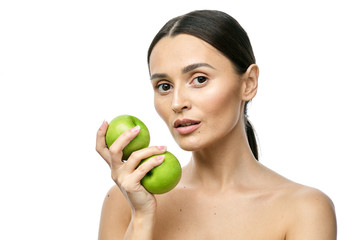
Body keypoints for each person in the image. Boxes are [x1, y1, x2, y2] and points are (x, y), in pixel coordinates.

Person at [96, 10, 337, 240]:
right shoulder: (125, 201)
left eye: (199, 79)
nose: (177, 103)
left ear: (248, 83)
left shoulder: (304, 209)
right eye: (164, 86)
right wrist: (141, 216)